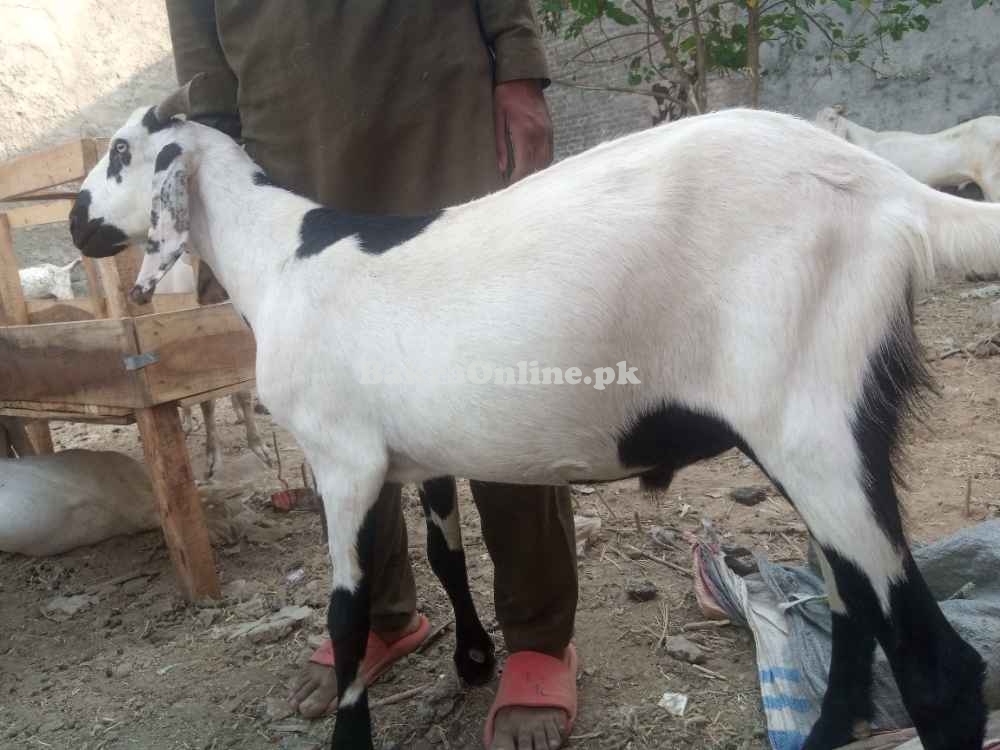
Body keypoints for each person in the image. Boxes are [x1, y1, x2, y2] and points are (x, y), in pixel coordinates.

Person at [165, 4, 579, 749]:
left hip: (435, 86)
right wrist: (213, 131)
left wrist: (516, 60)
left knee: (490, 365)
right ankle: (383, 611)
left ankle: (539, 633)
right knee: (331, 395)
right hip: (284, 121)